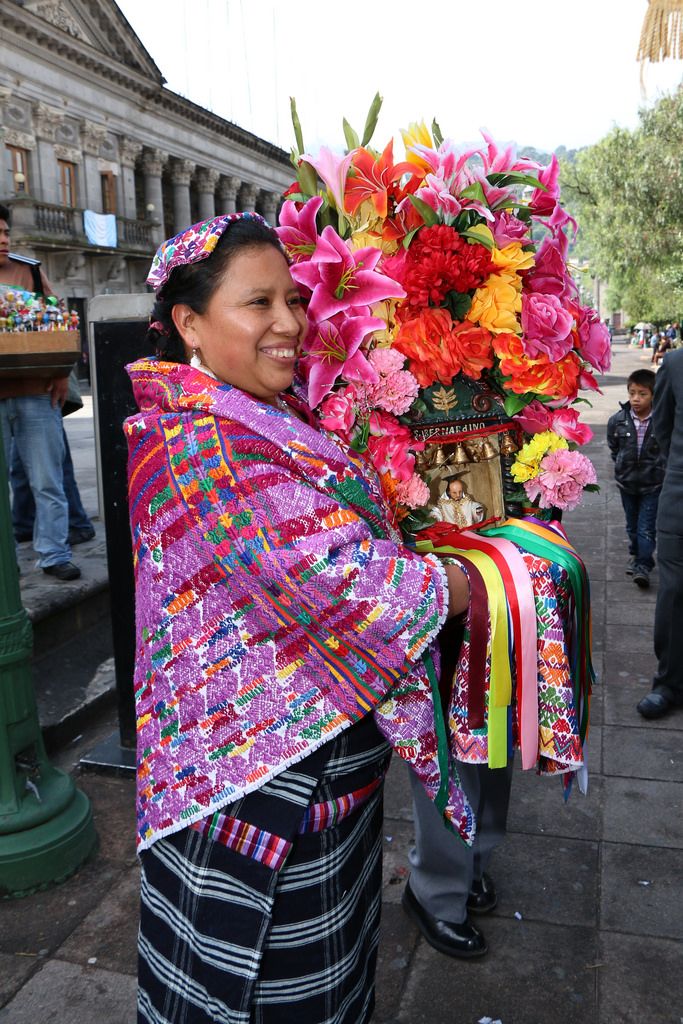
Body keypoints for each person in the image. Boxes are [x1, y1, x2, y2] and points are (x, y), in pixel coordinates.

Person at [127, 212, 473, 1024]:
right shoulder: (201, 448)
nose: (288, 323)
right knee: (264, 994)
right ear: (189, 323)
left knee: (333, 981)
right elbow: (345, 583)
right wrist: (476, 578)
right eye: (258, 304)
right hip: (260, 795)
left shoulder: (256, 416)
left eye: (293, 298)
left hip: (319, 782)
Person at [402, 616, 512, 958]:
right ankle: (437, 893)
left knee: (495, 730)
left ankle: (475, 862)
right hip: (436, 594)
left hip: (500, 592)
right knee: (445, 739)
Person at [0, 203, 80, 580]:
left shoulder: (29, 270)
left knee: (48, 481)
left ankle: (54, 554)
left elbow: (59, 321)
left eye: (5, 233)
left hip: (37, 393)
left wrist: (62, 372)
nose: (3, 241)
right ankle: (6, 564)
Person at [637, 347, 683, 720]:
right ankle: (669, 682)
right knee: (674, 592)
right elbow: (664, 428)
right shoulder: (677, 364)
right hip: (679, 501)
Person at [607, 369, 665, 589]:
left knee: (646, 528)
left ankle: (643, 566)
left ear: (653, 395)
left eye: (642, 394)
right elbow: (614, 447)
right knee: (632, 526)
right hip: (627, 483)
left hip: (653, 484)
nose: (636, 399)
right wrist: (621, 464)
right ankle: (637, 554)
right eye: (632, 393)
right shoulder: (618, 420)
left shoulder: (661, 420)